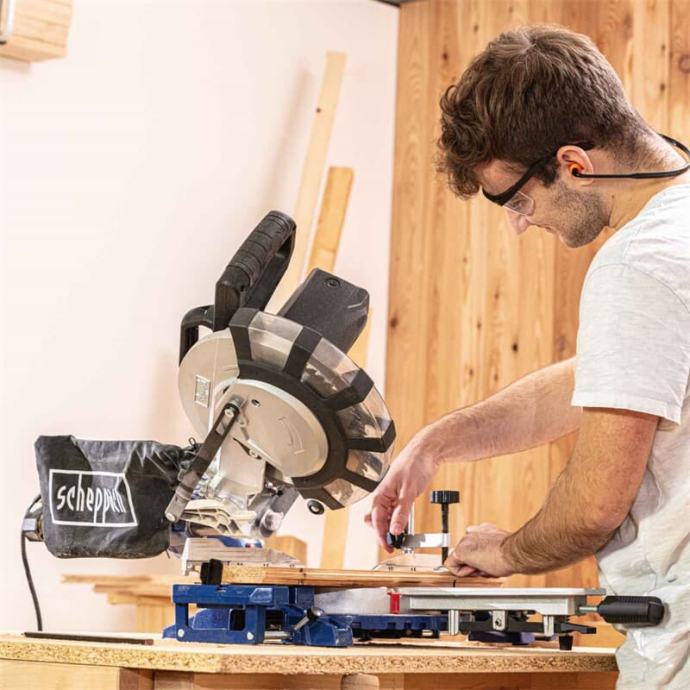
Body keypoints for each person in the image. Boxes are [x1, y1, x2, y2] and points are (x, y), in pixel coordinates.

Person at [365, 25, 690, 690]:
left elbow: (594, 507)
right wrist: (439, 440)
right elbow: (612, 375)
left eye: (516, 200)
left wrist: (505, 550)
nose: (517, 223)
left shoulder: (638, 264)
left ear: (574, 164)